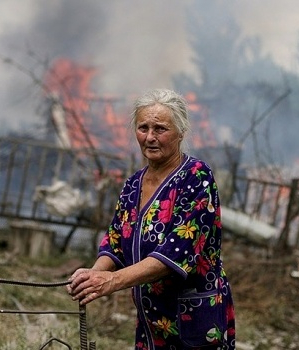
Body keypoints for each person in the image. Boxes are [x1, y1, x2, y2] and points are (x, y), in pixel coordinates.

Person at [67, 88, 236, 350]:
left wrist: (112, 281)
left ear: (181, 132)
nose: (150, 137)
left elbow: (176, 254)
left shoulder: (196, 177)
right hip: (152, 319)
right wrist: (94, 275)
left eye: (160, 129)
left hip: (194, 318)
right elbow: (114, 242)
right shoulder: (133, 184)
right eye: (143, 128)